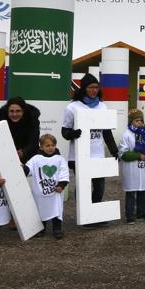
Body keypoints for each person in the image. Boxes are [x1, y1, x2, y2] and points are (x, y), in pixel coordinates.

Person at [61, 74, 119, 208]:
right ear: (83, 89)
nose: (94, 90)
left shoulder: (103, 107)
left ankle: (95, 213)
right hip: (79, 156)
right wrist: (73, 134)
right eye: (91, 87)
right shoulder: (72, 107)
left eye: (96, 87)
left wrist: (114, 150)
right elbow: (64, 132)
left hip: (97, 155)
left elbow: (107, 132)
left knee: (100, 186)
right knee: (83, 187)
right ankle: (84, 212)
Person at [27, 134, 70, 239]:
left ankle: (57, 229)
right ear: (41, 147)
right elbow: (29, 168)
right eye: (47, 145)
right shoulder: (36, 159)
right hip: (40, 193)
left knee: (57, 210)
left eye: (53, 145)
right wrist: (23, 168)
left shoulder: (60, 159)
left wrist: (61, 184)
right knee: (41, 210)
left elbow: (64, 172)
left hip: (55, 192)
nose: (51, 147)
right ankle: (41, 229)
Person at [118, 109, 145, 224]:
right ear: (131, 121)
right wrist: (139, 155)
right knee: (131, 192)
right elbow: (123, 154)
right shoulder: (126, 134)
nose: (139, 123)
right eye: (136, 120)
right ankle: (130, 215)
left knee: (142, 190)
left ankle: (141, 213)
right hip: (131, 168)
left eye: (141, 120)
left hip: (143, 167)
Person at [0, 97, 41, 164]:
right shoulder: (0, 119)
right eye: (11, 111)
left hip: (28, 156)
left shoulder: (32, 119)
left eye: (18, 111)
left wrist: (23, 152)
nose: (14, 114)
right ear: (7, 111)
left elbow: (34, 142)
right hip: (7, 156)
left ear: (23, 111)